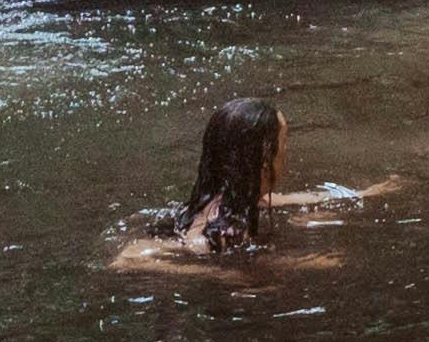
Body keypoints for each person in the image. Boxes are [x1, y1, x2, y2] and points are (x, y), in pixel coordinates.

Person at [112, 96, 293, 271]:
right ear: (264, 159)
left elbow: (296, 200)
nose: (286, 152)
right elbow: (126, 260)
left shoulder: (233, 197)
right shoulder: (225, 232)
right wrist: (221, 274)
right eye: (284, 142)